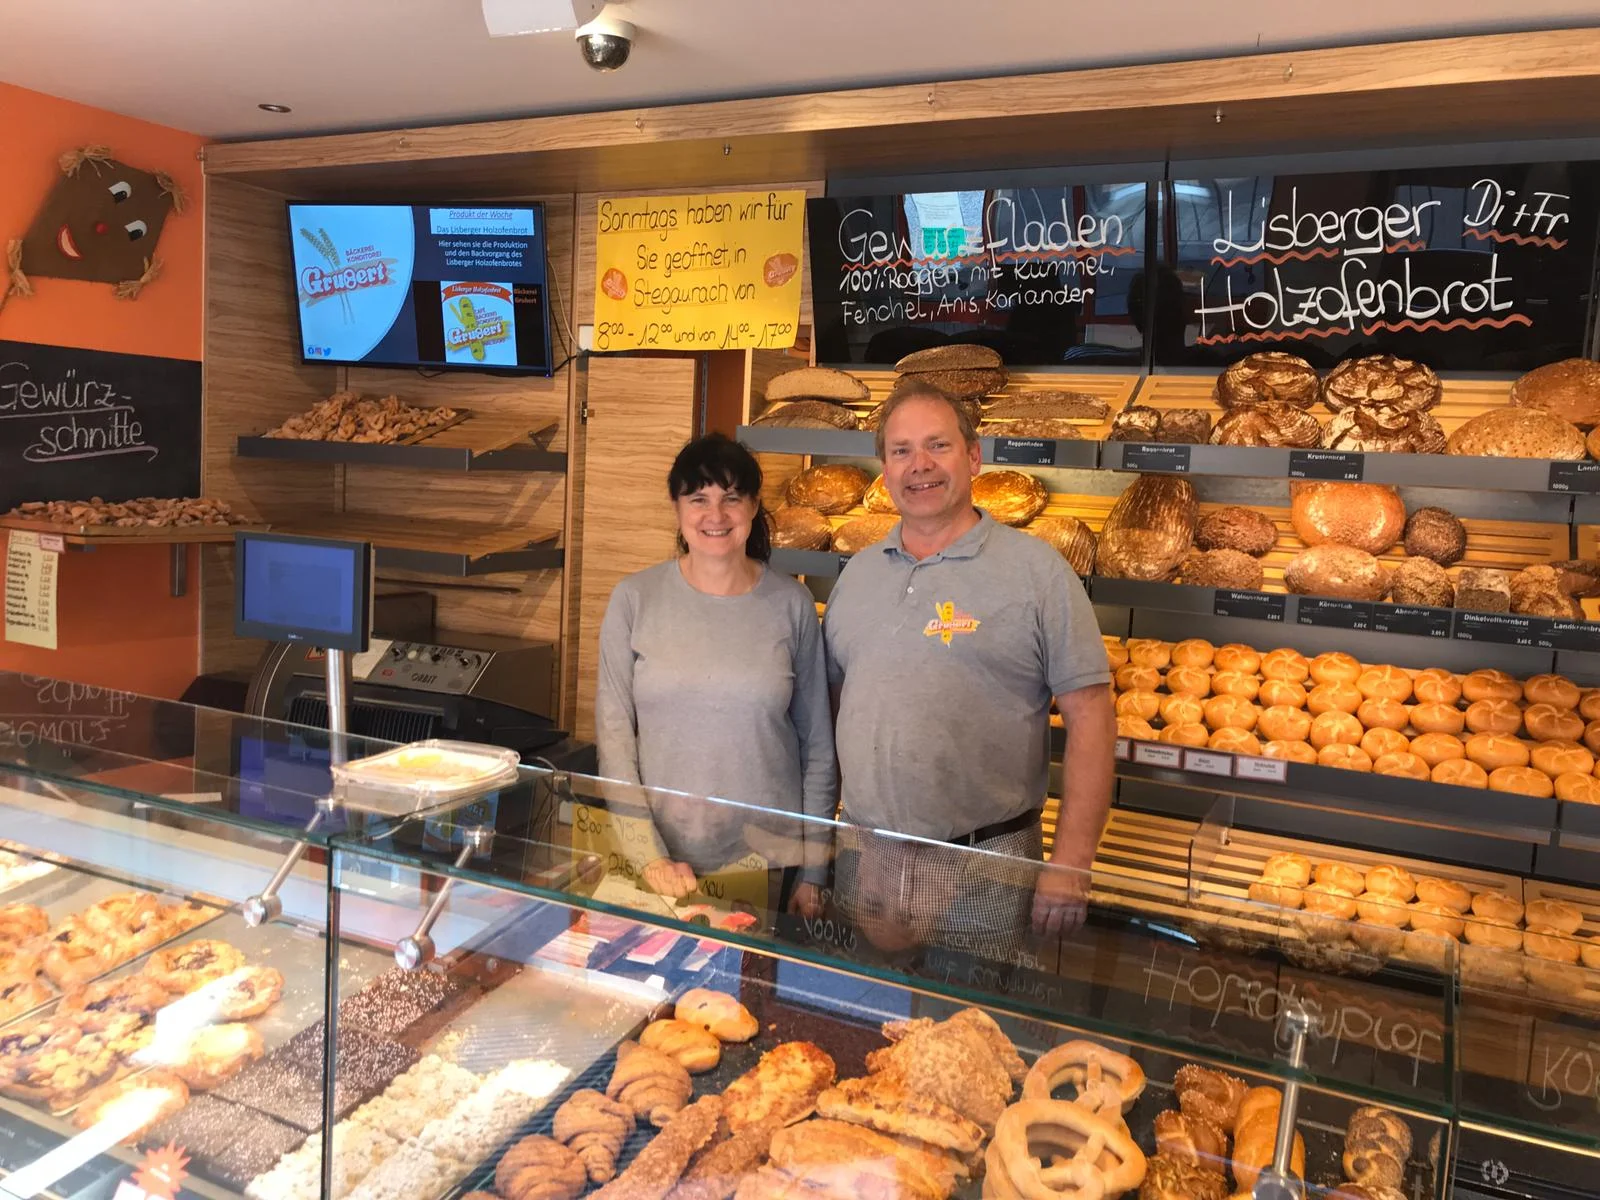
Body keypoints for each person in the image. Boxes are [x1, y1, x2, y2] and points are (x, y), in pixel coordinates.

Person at [823, 380, 1114, 950]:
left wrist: (1071, 863)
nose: (920, 465)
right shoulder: (857, 573)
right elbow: (834, 710)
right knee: (860, 1001)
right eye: (902, 450)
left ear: (974, 456)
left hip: (987, 863)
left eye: (938, 445)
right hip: (868, 855)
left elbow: (1092, 718)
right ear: (885, 468)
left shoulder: (1037, 572)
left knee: (979, 1004)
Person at [595, 433, 834, 917]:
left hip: (768, 862)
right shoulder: (635, 598)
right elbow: (614, 737)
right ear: (676, 507)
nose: (716, 514)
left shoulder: (792, 604)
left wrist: (813, 872)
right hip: (659, 861)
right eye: (698, 498)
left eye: (731, 498)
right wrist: (648, 855)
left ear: (753, 507)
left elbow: (817, 747)